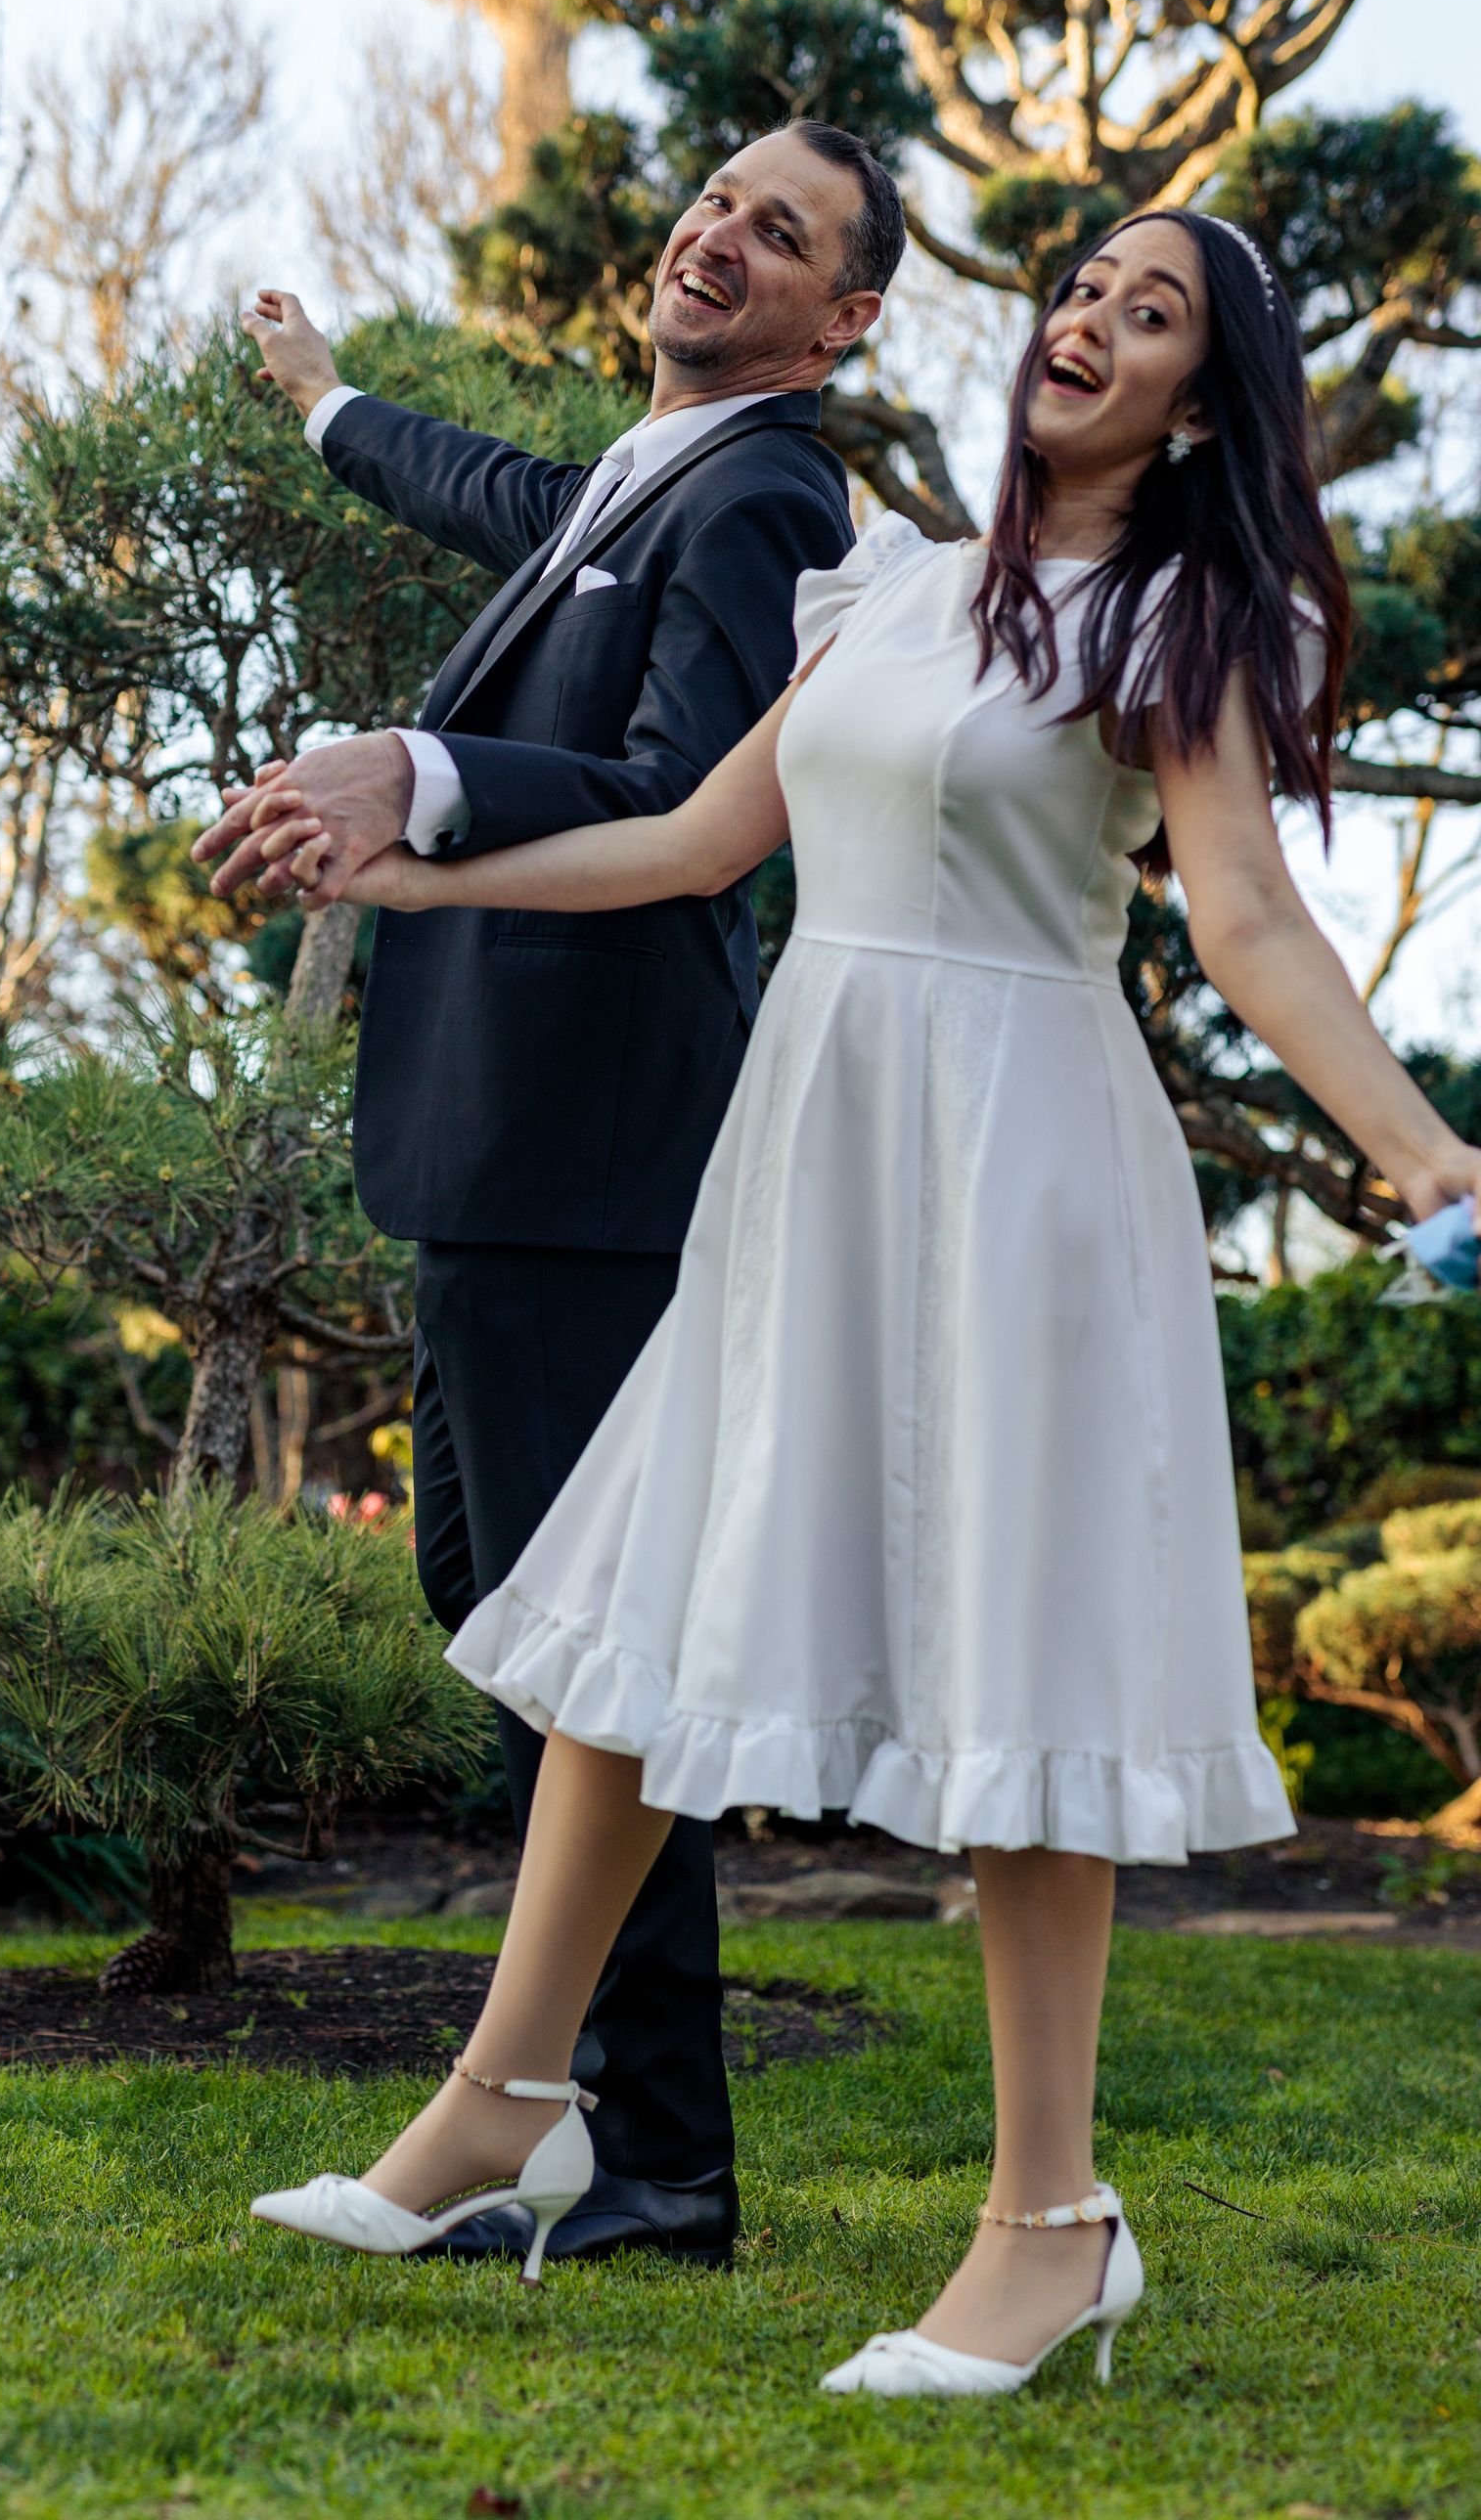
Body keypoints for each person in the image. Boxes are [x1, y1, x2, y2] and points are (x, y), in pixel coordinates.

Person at [243, 209, 1481, 2394]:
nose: (1091, 319)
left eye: (1155, 313)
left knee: (1023, 1657)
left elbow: (1253, 928)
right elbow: (695, 842)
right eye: (1087, 286)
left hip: (1020, 1162)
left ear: (1204, 402)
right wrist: (418, 872)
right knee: (639, 1603)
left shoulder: (1184, 614)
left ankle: (1048, 2224)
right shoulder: (896, 583)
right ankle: (505, 2103)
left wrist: (1427, 1151)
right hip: (812, 1145)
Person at [195, 122, 908, 2270]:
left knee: (594, 1665)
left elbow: (682, 798)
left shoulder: (771, 488)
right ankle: (589, 2108)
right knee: (505, 1621)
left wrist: (401, 777)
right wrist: (323, 395)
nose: (718, 235)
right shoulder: (641, 471)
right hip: (490, 1149)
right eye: (715, 200)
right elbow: (486, 494)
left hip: (589, 1150)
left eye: (777, 234)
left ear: (841, 321)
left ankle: (660, 2157)